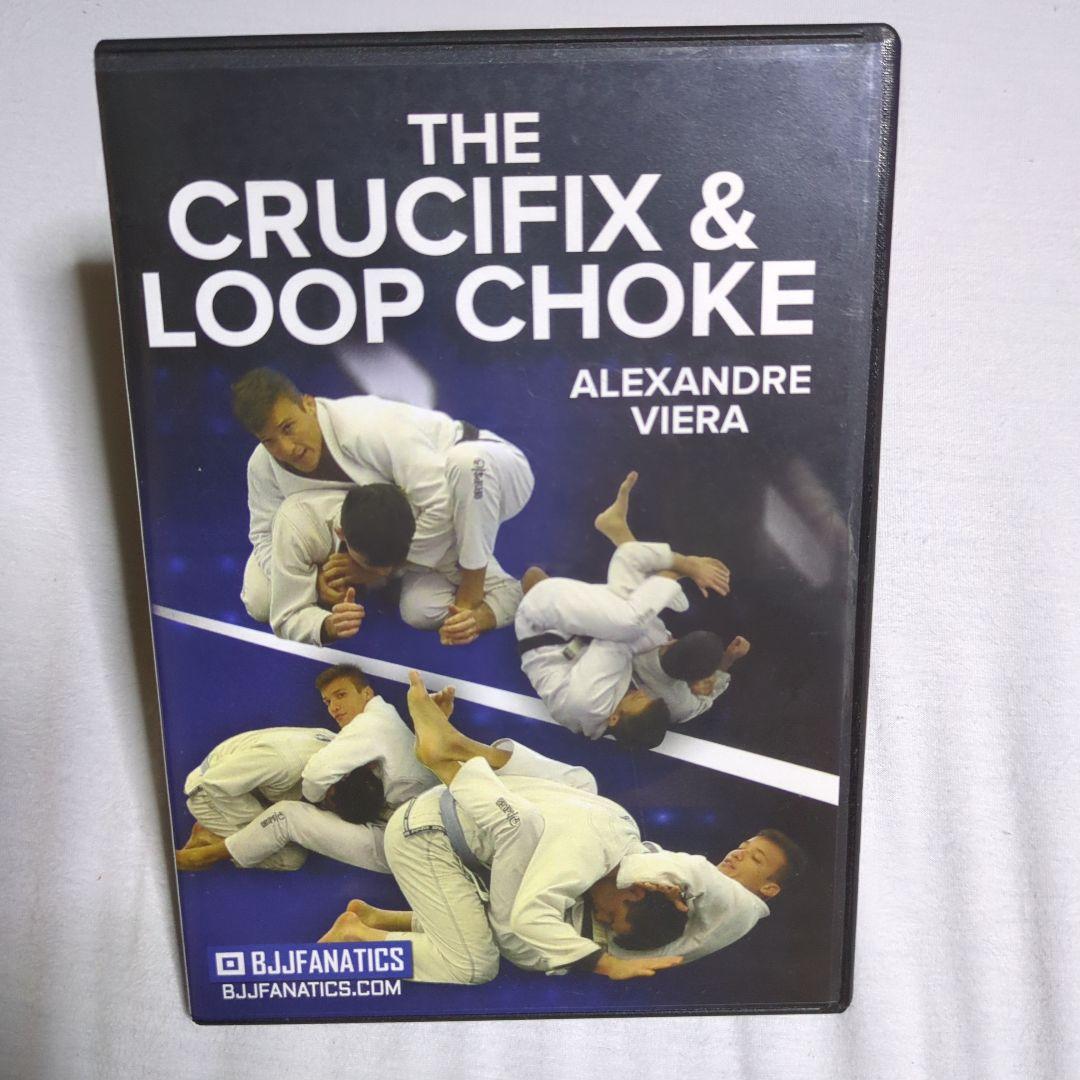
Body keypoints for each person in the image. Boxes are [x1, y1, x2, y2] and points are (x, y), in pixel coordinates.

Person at [318, 672, 690, 984]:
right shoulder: (573, 866)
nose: (603, 920)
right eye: (612, 916)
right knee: (474, 965)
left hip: (458, 815)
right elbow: (518, 932)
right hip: (426, 836)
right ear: (635, 892)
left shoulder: (632, 844)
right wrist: (601, 963)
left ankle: (457, 746)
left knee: (581, 784)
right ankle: (359, 939)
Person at [231, 368, 534, 641]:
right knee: (261, 599)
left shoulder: (362, 426)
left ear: (308, 404)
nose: (286, 448)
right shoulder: (262, 466)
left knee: (466, 465)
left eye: (288, 427)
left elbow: (439, 504)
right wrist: (314, 583)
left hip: (480, 472)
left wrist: (377, 567)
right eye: (269, 440)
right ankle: (491, 604)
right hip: (398, 519)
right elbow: (264, 534)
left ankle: (481, 589)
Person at [514, 472, 734, 748]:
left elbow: (619, 636)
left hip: (543, 621)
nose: (641, 692)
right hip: (569, 645)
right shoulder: (676, 707)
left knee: (631, 624)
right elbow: (701, 703)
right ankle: (619, 532)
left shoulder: (593, 702)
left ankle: (670, 568)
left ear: (615, 717)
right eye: (647, 695)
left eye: (636, 697)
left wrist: (679, 572)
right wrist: (723, 666)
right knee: (639, 623)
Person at [176, 664, 437, 874]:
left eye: (341, 695)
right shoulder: (368, 725)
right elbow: (214, 783)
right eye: (327, 701)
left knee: (286, 832)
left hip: (415, 839)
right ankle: (209, 850)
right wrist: (258, 823)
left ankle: (219, 840)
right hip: (209, 789)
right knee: (287, 843)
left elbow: (315, 778)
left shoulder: (363, 729)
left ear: (367, 694)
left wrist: (316, 797)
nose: (334, 708)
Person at [266, 485, 523, 645]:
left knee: (419, 610)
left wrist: (480, 619)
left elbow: (513, 590)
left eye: (395, 561)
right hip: (284, 522)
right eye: (373, 565)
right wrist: (327, 624)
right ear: (341, 534)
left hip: (423, 554)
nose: (385, 571)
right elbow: (285, 616)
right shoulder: (298, 525)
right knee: (259, 601)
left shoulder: (434, 532)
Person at [603, 829, 807, 964]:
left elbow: (696, 869)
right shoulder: (721, 900)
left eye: (755, 858)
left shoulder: (744, 905)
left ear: (769, 888)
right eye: (742, 847)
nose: (737, 853)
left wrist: (624, 864)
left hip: (597, 924)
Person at [176, 725, 337, 871]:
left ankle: (224, 835)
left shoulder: (339, 748)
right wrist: (261, 827)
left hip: (244, 785)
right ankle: (205, 842)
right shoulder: (283, 764)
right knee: (291, 856)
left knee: (288, 827)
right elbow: (214, 783)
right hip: (208, 793)